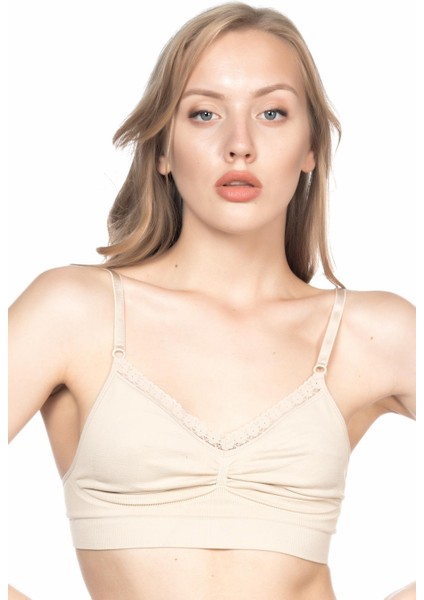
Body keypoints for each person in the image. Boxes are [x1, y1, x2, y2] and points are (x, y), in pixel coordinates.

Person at [8, 3, 416, 599]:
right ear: (162, 149)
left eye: (272, 113)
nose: (239, 145)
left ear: (310, 149)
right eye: (204, 113)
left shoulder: (375, 333)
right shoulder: (73, 312)